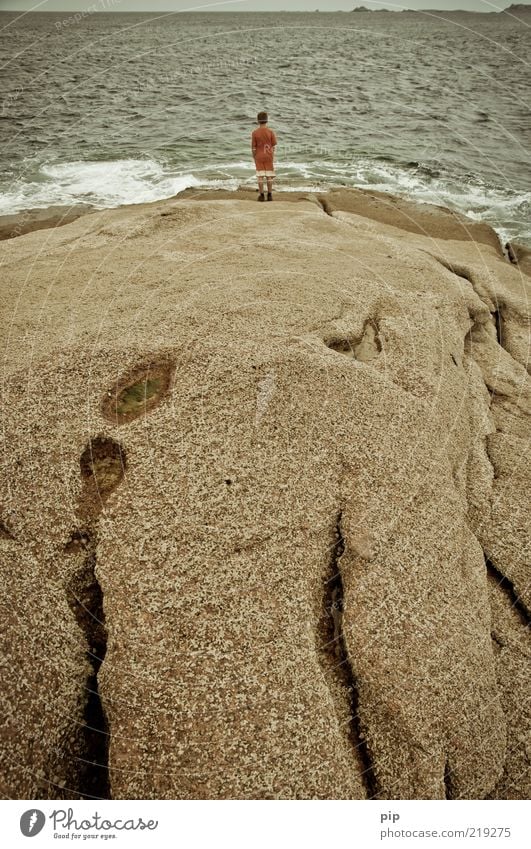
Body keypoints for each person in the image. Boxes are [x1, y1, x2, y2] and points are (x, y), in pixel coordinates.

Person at [251, 111, 277, 202]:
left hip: (259, 155)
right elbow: (274, 145)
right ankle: (270, 195)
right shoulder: (270, 132)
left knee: (260, 176)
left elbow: (253, 147)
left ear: (258, 121)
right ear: (267, 120)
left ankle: (261, 195)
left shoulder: (254, 133)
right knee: (269, 176)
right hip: (269, 155)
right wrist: (272, 154)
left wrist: (254, 157)